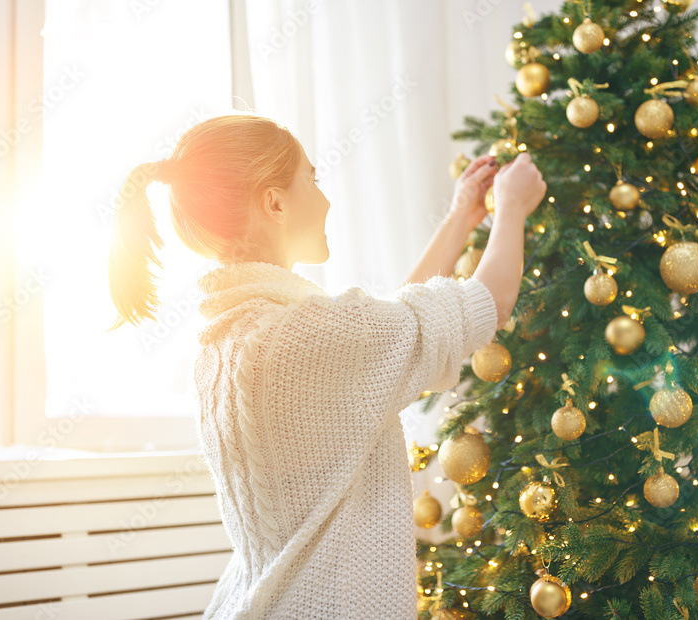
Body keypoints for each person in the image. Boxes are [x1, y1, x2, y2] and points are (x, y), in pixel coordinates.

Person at [107, 114, 546, 619]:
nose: (325, 197)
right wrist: (511, 208)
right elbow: (489, 301)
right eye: (311, 179)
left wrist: (459, 220)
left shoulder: (227, 340)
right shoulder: (301, 335)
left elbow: (389, 337)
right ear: (274, 202)